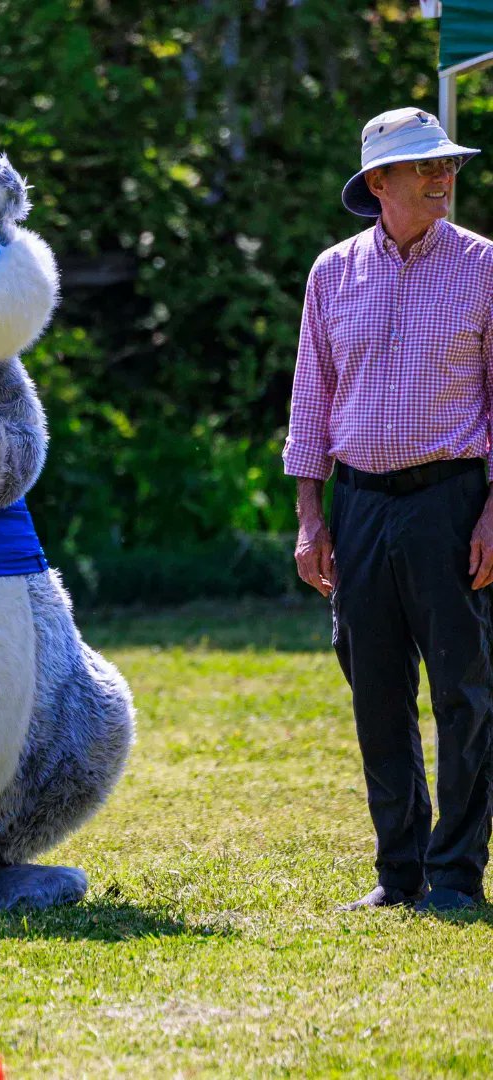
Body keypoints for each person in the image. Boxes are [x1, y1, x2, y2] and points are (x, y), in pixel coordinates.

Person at [284, 107, 493, 913]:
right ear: (379, 183)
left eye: (448, 165)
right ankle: (399, 874)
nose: (444, 177)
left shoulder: (483, 267)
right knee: (375, 690)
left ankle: (456, 874)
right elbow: (312, 403)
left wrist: (490, 514)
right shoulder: (331, 272)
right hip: (361, 504)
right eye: (425, 167)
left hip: (453, 500)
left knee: (466, 692)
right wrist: (311, 516)